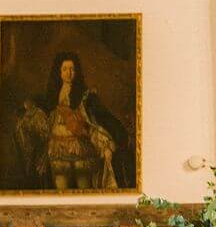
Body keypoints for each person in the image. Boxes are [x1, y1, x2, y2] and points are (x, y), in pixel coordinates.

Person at [15, 50, 132, 191]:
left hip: (80, 151)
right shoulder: (51, 97)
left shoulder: (85, 96)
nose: (69, 73)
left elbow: (95, 122)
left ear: (76, 71)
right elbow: (39, 119)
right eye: (65, 69)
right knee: (61, 190)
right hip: (57, 151)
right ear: (59, 71)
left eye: (72, 69)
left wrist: (106, 144)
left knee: (84, 188)